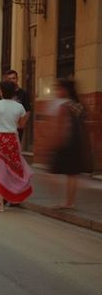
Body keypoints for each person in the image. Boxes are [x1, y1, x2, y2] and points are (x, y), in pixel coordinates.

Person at [0, 80, 32, 212]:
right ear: (13, 92)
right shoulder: (19, 107)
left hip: (0, 140)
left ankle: (0, 202)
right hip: (13, 140)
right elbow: (22, 125)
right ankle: (13, 197)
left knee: (0, 170)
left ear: (1, 91)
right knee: (14, 169)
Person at [49, 79, 93, 209]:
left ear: (65, 91)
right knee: (72, 174)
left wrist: (55, 144)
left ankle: (63, 202)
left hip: (66, 144)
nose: (57, 91)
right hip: (77, 143)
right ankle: (70, 202)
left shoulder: (64, 107)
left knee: (54, 173)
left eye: (59, 89)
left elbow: (60, 127)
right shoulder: (79, 105)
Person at [0, 70, 31, 140]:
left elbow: (27, 111)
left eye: (13, 78)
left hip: (17, 127)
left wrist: (21, 125)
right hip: (3, 128)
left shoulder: (23, 94)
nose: (12, 80)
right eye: (9, 79)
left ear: (17, 79)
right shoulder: (2, 93)